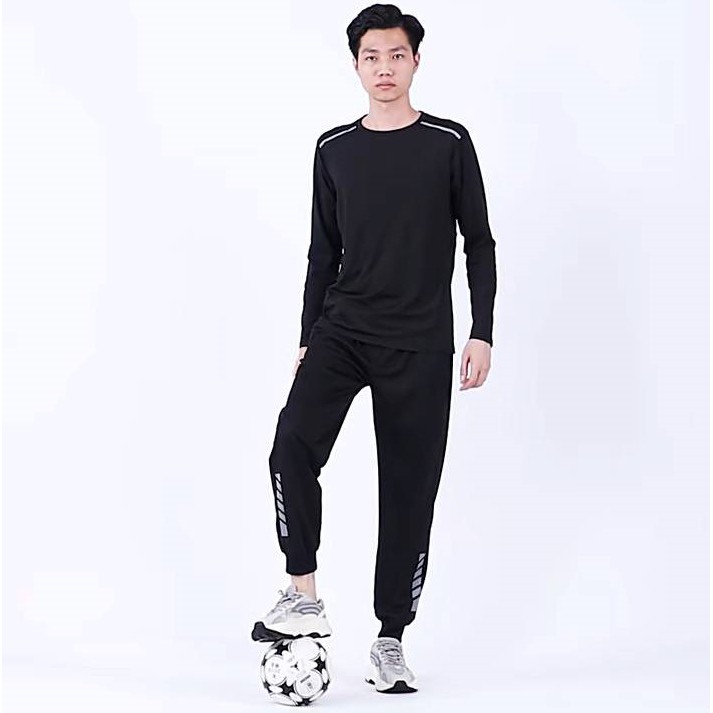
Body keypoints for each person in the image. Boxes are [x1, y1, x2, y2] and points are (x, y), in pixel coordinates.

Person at [251, 3, 497, 694]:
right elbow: (321, 252)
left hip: (419, 342)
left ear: (415, 61)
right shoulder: (333, 148)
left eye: (395, 55)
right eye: (371, 57)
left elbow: (478, 240)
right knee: (290, 446)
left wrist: (481, 329)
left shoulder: (448, 142)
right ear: (356, 65)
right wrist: (308, 338)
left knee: (408, 492)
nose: (383, 68)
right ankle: (303, 592)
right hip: (343, 329)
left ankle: (390, 639)